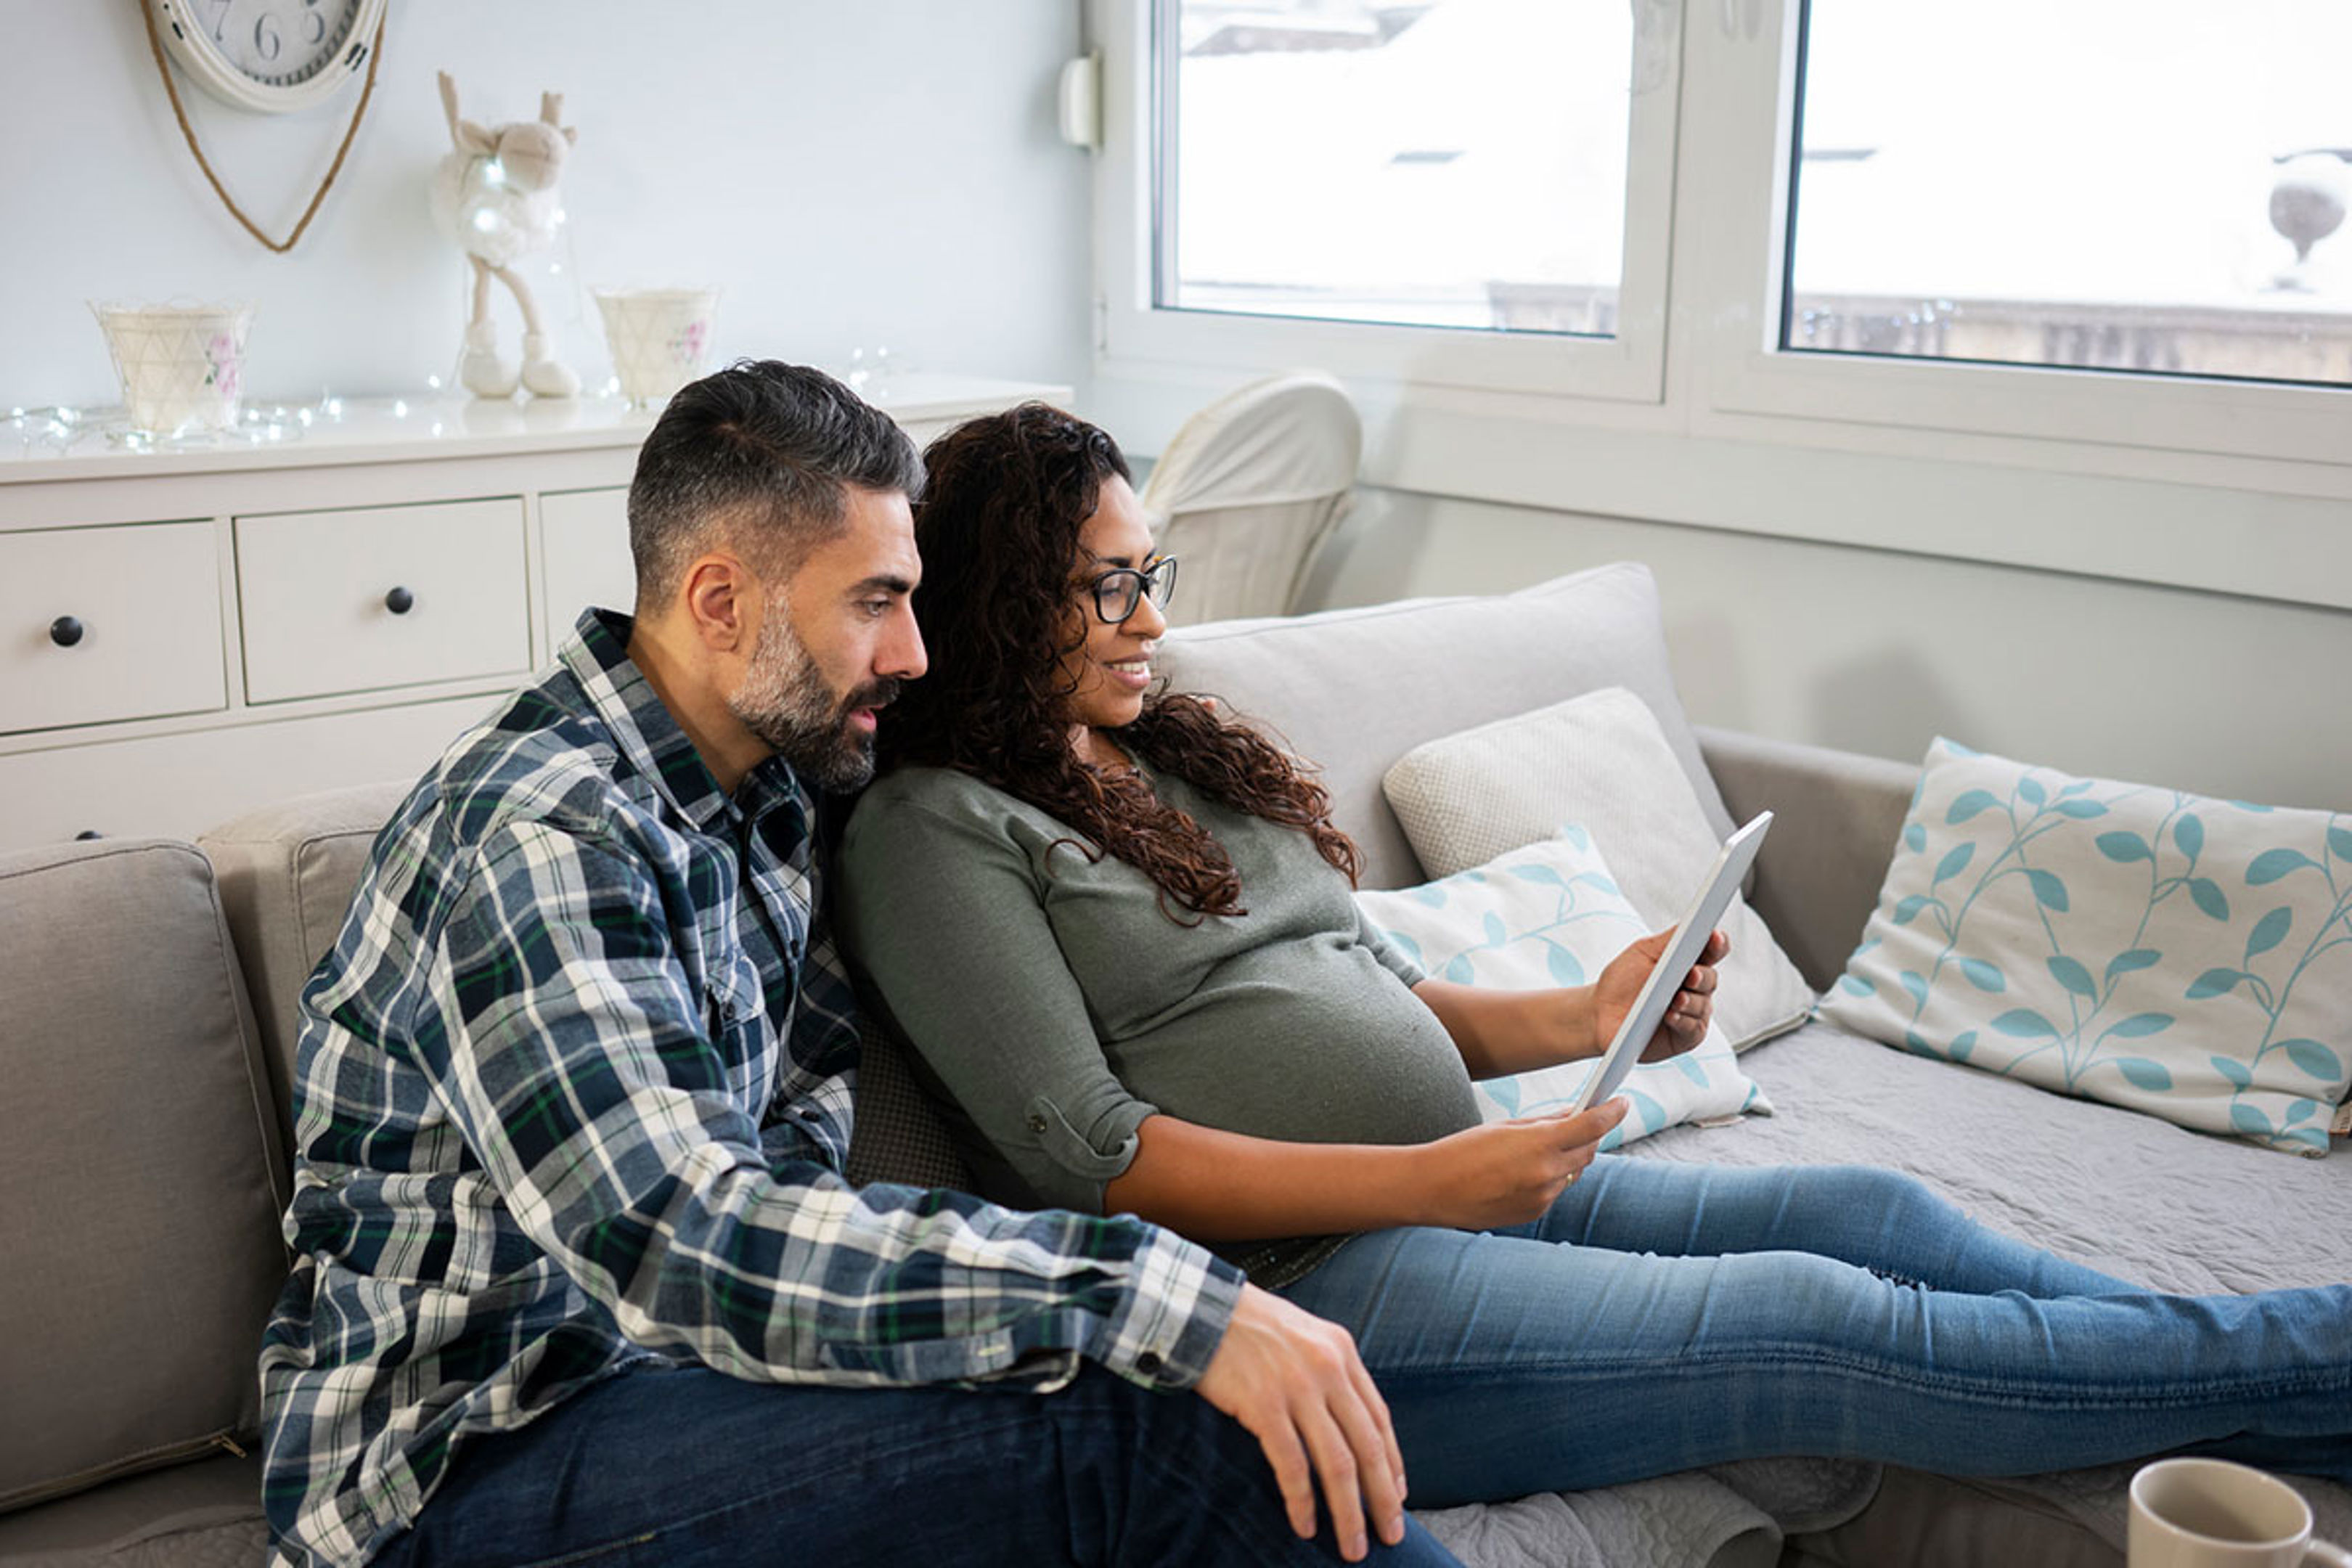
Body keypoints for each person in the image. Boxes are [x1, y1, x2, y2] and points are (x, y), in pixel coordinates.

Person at [835, 401, 2352, 1511]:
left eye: (1154, 574)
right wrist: (1436, 1182)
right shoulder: (935, 831)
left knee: (1863, 1203)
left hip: (1454, 1205)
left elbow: (1363, 994)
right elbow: (1100, 1163)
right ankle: (2312, 1360)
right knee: (1821, 1327)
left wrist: (1592, 1011)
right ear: (994, 595)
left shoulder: (1163, 757)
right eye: (1111, 585)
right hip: (1287, 1303)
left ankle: (2262, 1375)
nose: (1154, 617)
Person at [257, 362, 1462, 1568]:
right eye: (876, 602)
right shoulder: (542, 843)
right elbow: (686, 1238)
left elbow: (807, 1174)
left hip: (690, 1387)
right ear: (720, 601)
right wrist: (1151, 1288)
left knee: (1129, 1399)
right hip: (469, 1463)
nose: (917, 653)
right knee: (1150, 1428)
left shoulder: (772, 800)